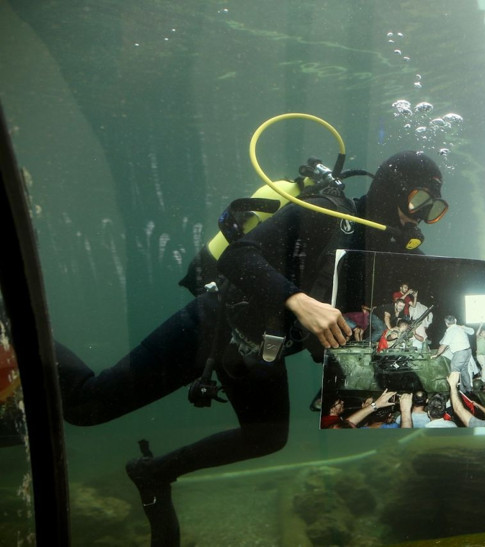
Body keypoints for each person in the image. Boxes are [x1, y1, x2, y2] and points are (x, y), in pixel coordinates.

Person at [55, 150, 448, 546]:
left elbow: (435, 304)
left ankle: (154, 472)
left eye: (433, 210)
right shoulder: (325, 213)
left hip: (262, 353)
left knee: (267, 438)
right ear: (389, 191)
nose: (419, 216)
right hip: (213, 328)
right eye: (418, 202)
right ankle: (19, 331)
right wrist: (297, 300)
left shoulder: (397, 259)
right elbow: (238, 256)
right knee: (87, 407)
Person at [433, 315, 475, 389]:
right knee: (464, 371)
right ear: (455, 320)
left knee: (454, 372)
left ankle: (458, 391)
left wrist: (436, 355)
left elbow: (442, 345)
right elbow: (472, 331)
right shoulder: (460, 328)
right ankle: (469, 389)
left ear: (446, 323)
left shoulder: (450, 331)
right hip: (468, 351)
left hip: (460, 353)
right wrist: (462, 326)